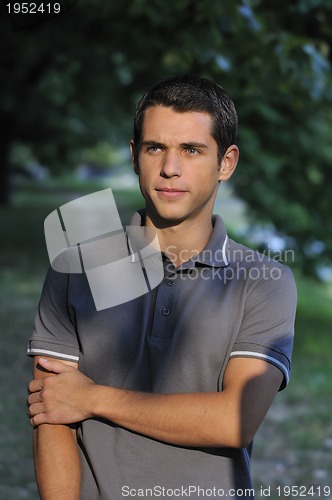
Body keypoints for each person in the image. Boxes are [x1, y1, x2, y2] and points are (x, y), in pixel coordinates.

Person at [27, 74, 297, 500]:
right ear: (135, 156)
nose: (170, 168)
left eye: (192, 150)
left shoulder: (265, 282)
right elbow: (52, 413)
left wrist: (93, 398)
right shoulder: (72, 267)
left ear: (226, 163)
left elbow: (235, 421)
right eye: (156, 148)